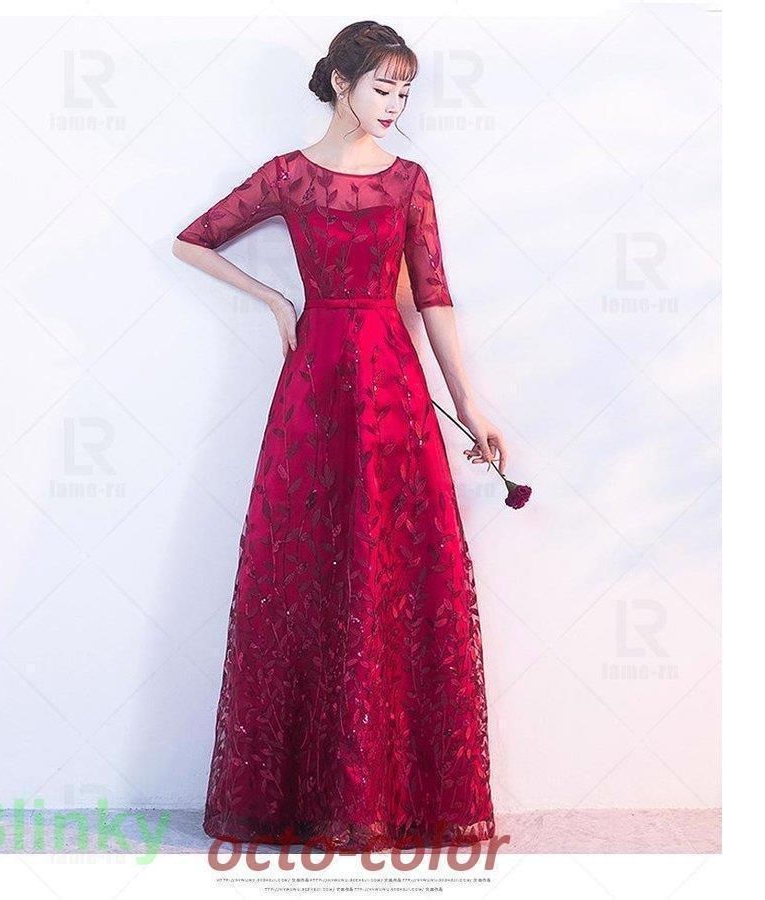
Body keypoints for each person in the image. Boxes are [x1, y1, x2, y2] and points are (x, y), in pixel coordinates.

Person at [172, 20, 506, 852]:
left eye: (405, 92)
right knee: (306, 567)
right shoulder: (287, 176)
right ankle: (309, 795)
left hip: (392, 391)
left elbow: (432, 296)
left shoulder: (409, 182)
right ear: (342, 83)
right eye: (383, 87)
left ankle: (390, 796)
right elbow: (191, 240)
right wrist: (273, 298)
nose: (395, 105)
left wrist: (471, 405)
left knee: (396, 572)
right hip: (314, 388)